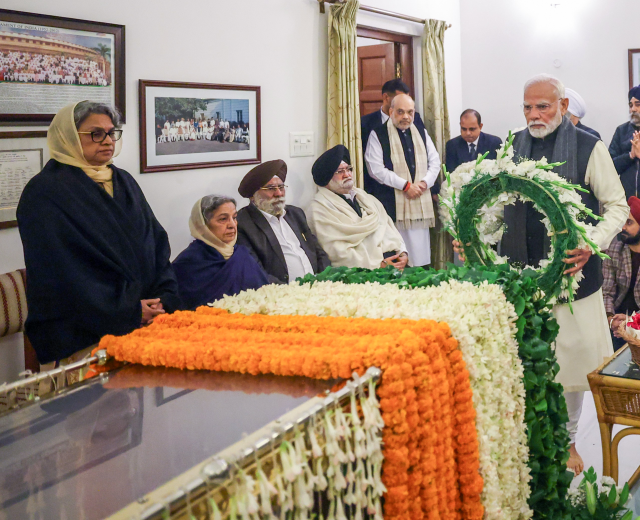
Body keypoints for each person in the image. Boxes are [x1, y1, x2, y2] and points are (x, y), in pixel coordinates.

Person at [458, 74, 627, 475]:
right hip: (519, 277)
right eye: (527, 107)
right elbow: (499, 202)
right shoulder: (512, 145)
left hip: (572, 279)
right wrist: (477, 236)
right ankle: (529, 438)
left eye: (543, 107)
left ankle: (567, 442)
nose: (534, 115)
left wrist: (591, 242)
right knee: (526, 361)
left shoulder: (590, 146)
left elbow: (617, 207)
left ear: (563, 107)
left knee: (568, 370)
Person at [17, 100, 181, 366]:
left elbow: (155, 243)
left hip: (145, 319)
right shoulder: (45, 192)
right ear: (68, 136)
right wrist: (129, 310)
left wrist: (163, 299)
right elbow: (63, 272)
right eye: (95, 134)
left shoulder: (123, 180)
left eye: (111, 132)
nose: (107, 141)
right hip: (82, 331)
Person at [364, 93, 440, 267]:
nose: (406, 116)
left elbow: (435, 161)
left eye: (410, 112)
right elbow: (375, 169)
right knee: (398, 254)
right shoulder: (379, 134)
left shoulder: (421, 132)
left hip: (420, 201)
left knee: (421, 258)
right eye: (400, 111)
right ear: (391, 112)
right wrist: (405, 186)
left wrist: (423, 183)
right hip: (393, 203)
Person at [307, 145, 407, 269]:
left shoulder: (365, 198)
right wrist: (378, 266)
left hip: (395, 263)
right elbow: (337, 253)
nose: (347, 174)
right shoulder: (319, 209)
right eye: (340, 171)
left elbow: (389, 226)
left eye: (348, 169)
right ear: (327, 178)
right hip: (364, 273)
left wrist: (403, 252)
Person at [236, 159, 331, 283]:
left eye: (281, 187)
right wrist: (287, 292)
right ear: (253, 196)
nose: (279, 193)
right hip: (281, 294)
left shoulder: (295, 214)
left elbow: (318, 252)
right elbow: (255, 271)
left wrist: (325, 279)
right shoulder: (243, 223)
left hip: (317, 287)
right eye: (270, 188)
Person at [172, 195, 269, 310]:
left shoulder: (243, 255)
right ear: (202, 225)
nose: (232, 225)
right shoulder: (187, 263)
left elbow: (265, 295)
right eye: (223, 219)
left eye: (234, 217)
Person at [360, 79, 429, 196]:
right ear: (386, 98)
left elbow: (427, 152)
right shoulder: (366, 123)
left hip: (416, 190)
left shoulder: (415, 119)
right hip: (382, 192)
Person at [603, 196, 640, 351]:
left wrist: (632, 321)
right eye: (622, 222)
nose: (623, 227)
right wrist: (610, 319)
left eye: (629, 222)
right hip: (616, 323)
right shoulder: (614, 249)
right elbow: (606, 291)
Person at [444, 109, 502, 174]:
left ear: (480, 126)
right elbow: (451, 174)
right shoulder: (452, 145)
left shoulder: (494, 143)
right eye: (464, 129)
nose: (468, 133)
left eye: (472, 129)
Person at [609, 85, 640, 198]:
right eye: (630, 105)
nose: (633, 109)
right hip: (626, 202)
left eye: (638, 104)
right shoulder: (621, 131)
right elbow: (609, 166)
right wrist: (630, 155)